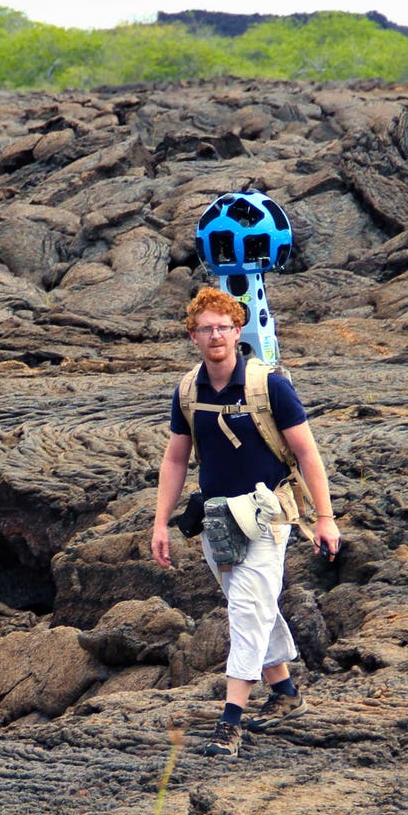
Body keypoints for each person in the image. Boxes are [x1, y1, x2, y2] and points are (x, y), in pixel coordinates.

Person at [150, 287, 340, 757]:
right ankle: (285, 693)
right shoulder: (188, 391)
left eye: (224, 327)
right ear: (192, 335)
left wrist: (326, 518)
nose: (215, 335)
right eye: (205, 328)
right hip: (217, 522)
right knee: (252, 603)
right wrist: (159, 524)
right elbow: (176, 460)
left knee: (246, 610)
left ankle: (230, 720)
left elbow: (306, 451)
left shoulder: (270, 385)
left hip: (266, 517)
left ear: (238, 331)